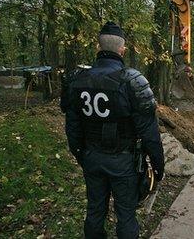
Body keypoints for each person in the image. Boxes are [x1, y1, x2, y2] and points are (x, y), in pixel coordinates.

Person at [60, 21, 164, 239]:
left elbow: (72, 126)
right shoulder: (132, 81)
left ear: (98, 48)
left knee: (95, 210)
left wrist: (81, 154)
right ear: (122, 50)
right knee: (126, 215)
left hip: (92, 157)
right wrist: (157, 165)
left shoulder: (76, 80)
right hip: (123, 161)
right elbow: (149, 132)